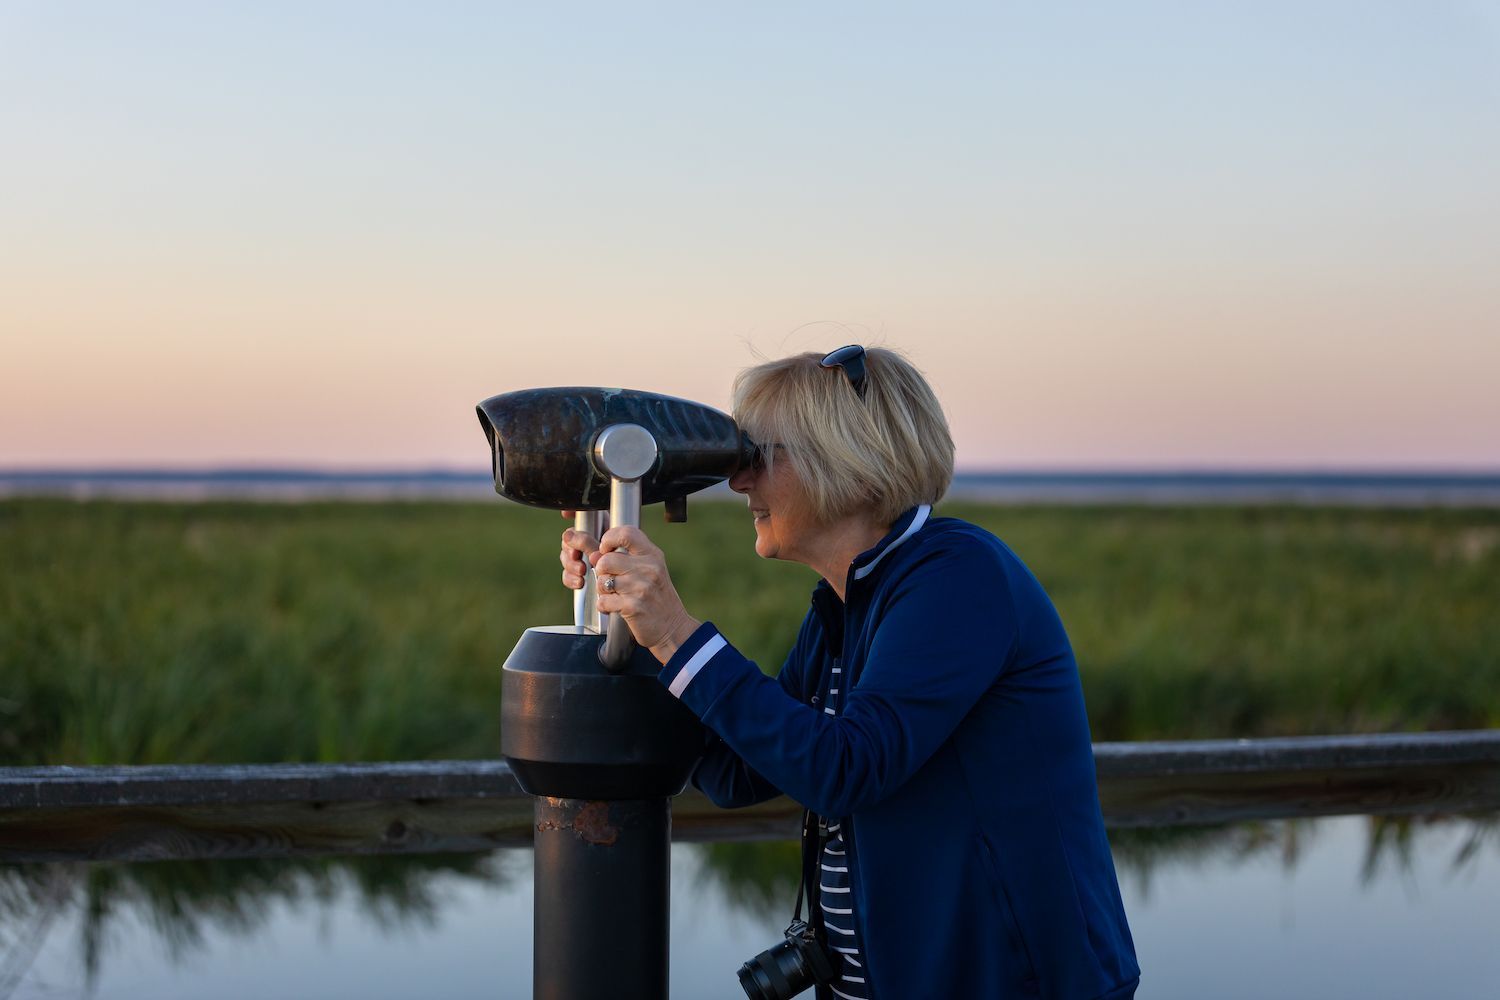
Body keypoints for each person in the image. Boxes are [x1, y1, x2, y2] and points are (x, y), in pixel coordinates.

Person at [560, 346, 1140, 1000]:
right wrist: (634, 632)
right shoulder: (847, 603)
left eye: (757, 457)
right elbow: (735, 771)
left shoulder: (958, 576)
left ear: (846, 460)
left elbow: (846, 769)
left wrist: (675, 632)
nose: (739, 483)